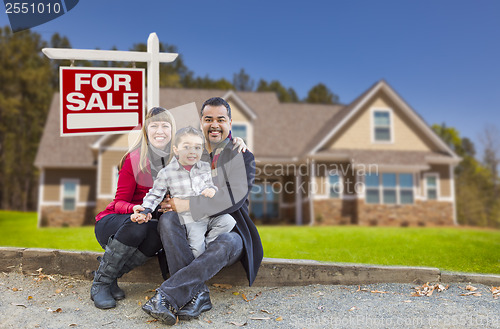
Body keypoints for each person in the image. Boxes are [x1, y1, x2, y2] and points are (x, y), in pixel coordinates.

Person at [91, 106, 248, 310]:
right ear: (146, 130)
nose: (160, 130)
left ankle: (111, 275)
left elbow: (208, 138)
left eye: (165, 126)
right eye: (154, 125)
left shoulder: (179, 156)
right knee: (141, 225)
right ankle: (101, 283)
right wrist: (137, 209)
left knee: (158, 232)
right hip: (118, 220)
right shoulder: (135, 159)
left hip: (150, 221)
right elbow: (118, 202)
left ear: (172, 132)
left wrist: (234, 139)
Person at [142, 97, 263, 325]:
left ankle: (168, 295)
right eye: (209, 119)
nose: (214, 124)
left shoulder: (241, 154)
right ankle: (199, 295)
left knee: (228, 242)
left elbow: (234, 200)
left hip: (228, 229)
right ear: (201, 122)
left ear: (230, 123)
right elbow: (155, 157)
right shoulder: (190, 150)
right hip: (189, 227)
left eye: (221, 119)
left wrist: (188, 204)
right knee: (167, 220)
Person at [136, 126, 236, 258]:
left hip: (208, 213)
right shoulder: (167, 173)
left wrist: (212, 189)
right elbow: (155, 194)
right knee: (197, 250)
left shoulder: (205, 167)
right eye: (187, 147)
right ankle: (199, 262)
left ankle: (210, 243)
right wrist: (145, 210)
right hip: (190, 218)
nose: (192, 151)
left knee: (229, 221)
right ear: (176, 149)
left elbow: (211, 184)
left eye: (197, 147)